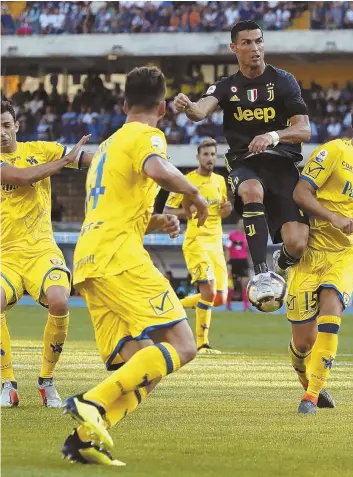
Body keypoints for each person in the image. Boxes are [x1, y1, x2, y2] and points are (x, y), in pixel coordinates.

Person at [61, 66, 208, 465]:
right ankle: (91, 402)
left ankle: (83, 439)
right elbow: (158, 169)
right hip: (119, 257)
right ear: (162, 107)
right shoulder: (148, 135)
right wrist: (194, 192)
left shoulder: (107, 147)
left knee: (144, 362)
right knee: (183, 346)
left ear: (125, 104)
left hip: (89, 260)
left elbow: (115, 208)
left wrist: (157, 219)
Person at [173, 20, 311, 307]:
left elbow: (304, 129)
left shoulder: (283, 80)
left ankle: (281, 260)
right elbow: (201, 110)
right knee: (250, 190)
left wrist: (272, 135)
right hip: (245, 163)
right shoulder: (226, 86)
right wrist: (188, 107)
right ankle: (260, 273)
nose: (255, 48)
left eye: (258, 41)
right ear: (234, 47)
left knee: (297, 244)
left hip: (282, 166)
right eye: (247, 43)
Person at [288, 101, 353, 414]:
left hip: (341, 257)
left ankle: (310, 398)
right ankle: (306, 377)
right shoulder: (334, 151)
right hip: (310, 254)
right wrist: (333, 217)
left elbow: (350, 231)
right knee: (304, 344)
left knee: (332, 309)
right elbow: (301, 194)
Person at [0, 99, 92, 408]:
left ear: (16, 125)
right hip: (6, 255)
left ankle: (47, 382)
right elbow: (25, 178)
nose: (1, 133)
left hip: (41, 251)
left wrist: (127, 161)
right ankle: (6, 383)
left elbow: (87, 159)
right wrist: (65, 162)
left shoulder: (41, 149)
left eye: (5, 125)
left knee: (60, 300)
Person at [164, 137, 232, 354]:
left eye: (213, 154)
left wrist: (226, 210)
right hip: (196, 242)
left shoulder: (220, 181)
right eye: (206, 154)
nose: (210, 158)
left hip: (215, 243)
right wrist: (187, 212)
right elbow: (167, 211)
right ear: (198, 157)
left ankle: (173, 305)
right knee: (209, 291)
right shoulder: (186, 181)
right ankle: (202, 344)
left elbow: (221, 210)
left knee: (220, 297)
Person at [225, 219, 250, 311]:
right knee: (231, 285)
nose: (242, 225)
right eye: (240, 223)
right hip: (233, 261)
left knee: (245, 283)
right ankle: (228, 306)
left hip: (243, 261)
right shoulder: (232, 235)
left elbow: (247, 250)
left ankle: (246, 307)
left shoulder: (247, 236)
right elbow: (227, 248)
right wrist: (227, 263)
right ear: (238, 224)